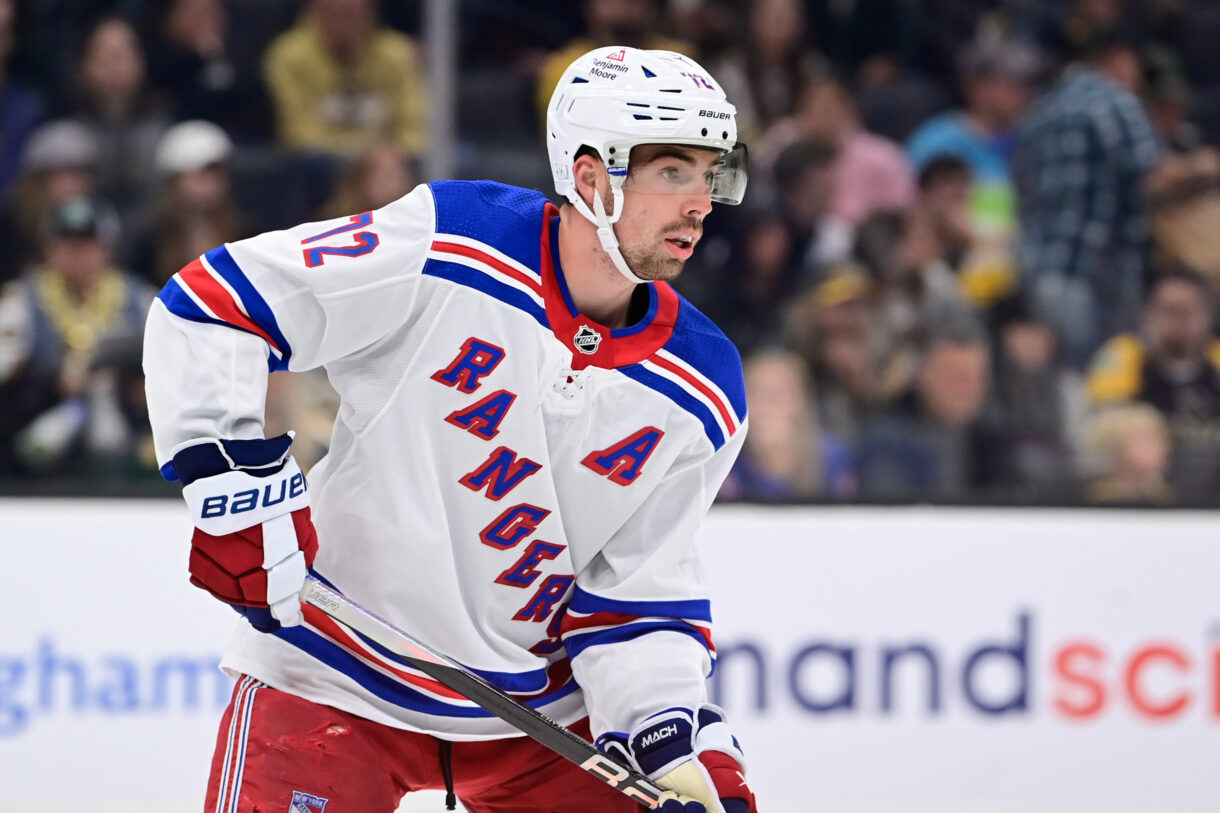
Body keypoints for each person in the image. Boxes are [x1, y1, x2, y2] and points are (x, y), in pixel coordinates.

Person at [143, 47, 757, 813]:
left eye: (711, 174)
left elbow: (637, 593)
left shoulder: (704, 385)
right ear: (592, 177)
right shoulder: (452, 244)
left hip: (540, 725)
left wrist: (664, 733)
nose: (701, 202)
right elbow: (214, 305)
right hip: (333, 672)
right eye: (673, 172)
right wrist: (235, 486)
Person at [1085, 269, 1220, 502]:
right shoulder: (1126, 354)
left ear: (1206, 316)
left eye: (1189, 310)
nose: (1179, 321)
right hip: (1146, 488)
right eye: (1169, 310)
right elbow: (1107, 421)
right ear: (1148, 314)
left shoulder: (1216, 358)